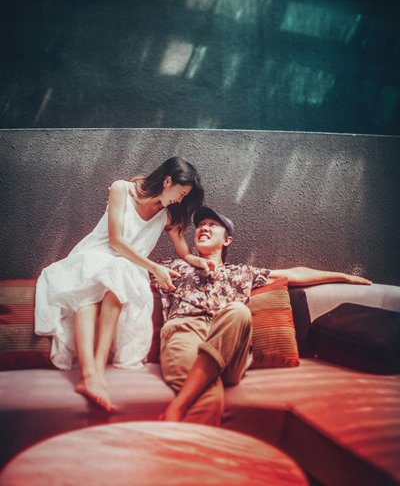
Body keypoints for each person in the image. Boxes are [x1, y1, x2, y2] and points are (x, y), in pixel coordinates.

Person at [155, 206, 372, 425]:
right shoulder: (176, 266)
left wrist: (344, 276)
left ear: (227, 240)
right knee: (208, 399)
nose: (204, 228)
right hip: (186, 330)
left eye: (212, 225)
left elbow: (295, 273)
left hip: (230, 347)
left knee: (238, 311)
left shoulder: (242, 273)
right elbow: (135, 266)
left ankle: (180, 405)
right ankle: (190, 427)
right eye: (200, 225)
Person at [35, 157, 210, 411]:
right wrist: (154, 268)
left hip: (128, 269)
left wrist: (199, 260)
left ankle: (96, 371)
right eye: (181, 193)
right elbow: (115, 242)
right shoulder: (122, 189)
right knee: (93, 285)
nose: (180, 200)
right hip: (95, 256)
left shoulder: (169, 214)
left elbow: (184, 251)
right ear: (167, 181)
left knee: (119, 275)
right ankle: (89, 374)